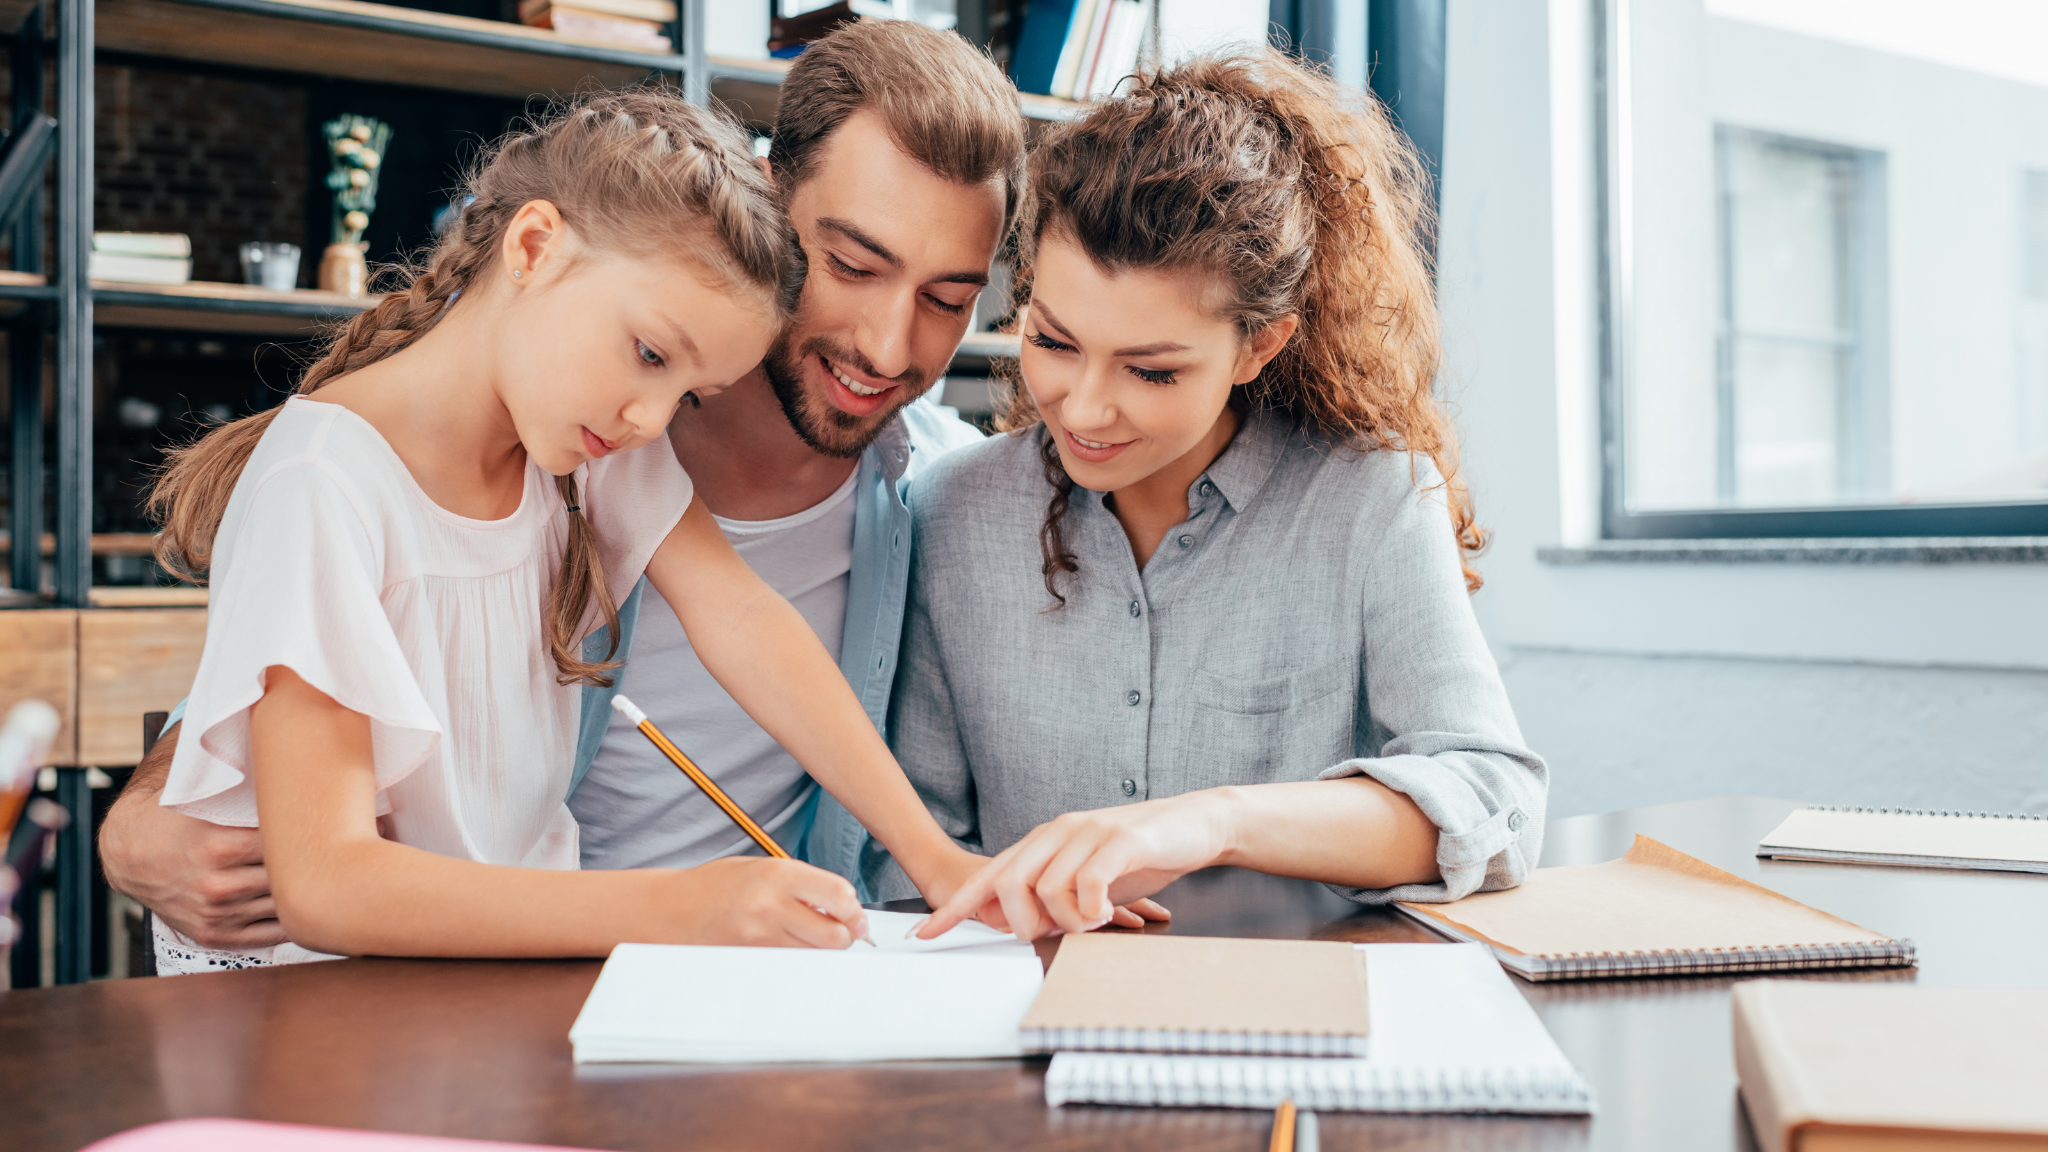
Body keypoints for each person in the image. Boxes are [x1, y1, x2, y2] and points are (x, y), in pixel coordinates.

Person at [101, 21, 1032, 952]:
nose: (655, 420)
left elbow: (746, 624)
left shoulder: (599, 437)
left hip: (500, 1000)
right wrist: (684, 912)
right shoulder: (356, 476)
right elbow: (321, 867)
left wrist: (939, 860)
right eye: (650, 355)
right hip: (346, 1010)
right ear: (536, 246)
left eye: (950, 301)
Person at [905, 52, 1549, 942]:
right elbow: (912, 843)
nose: (1084, 407)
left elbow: (1497, 800)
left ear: (1258, 347)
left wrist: (1216, 820)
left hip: (1300, 1015)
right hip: (1025, 1009)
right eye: (1054, 342)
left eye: (1152, 369)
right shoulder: (952, 511)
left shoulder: (1370, 501)